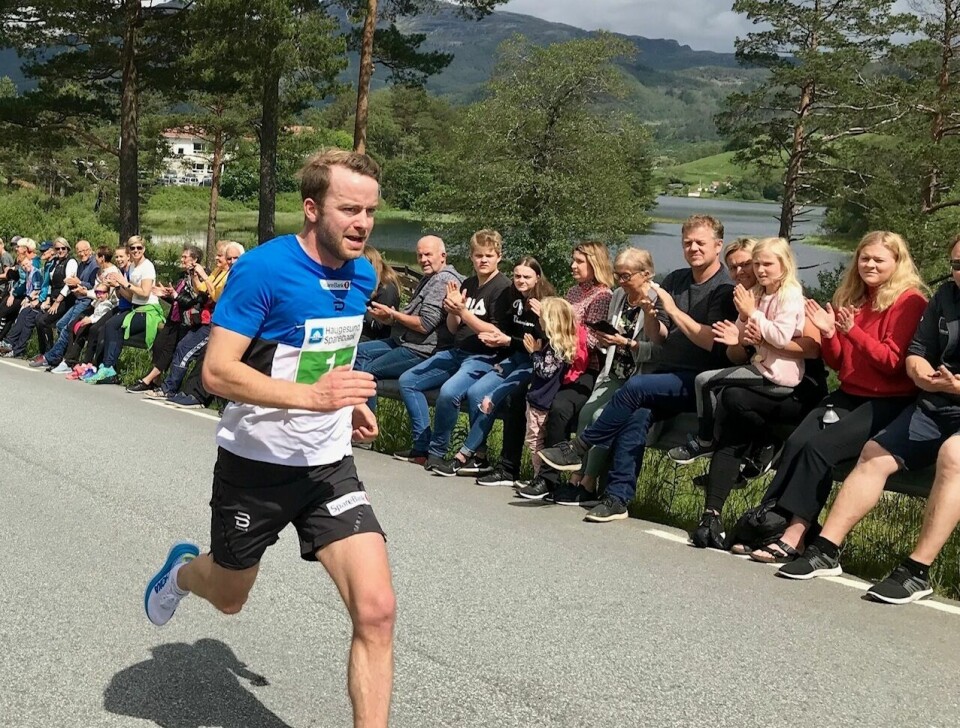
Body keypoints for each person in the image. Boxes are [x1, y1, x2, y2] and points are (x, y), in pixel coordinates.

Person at [144, 150, 395, 728]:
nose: (362, 223)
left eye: (371, 211)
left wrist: (349, 402)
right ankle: (183, 572)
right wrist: (316, 399)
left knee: (377, 612)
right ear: (311, 208)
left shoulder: (362, 272)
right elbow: (217, 372)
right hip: (255, 465)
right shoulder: (261, 269)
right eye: (349, 209)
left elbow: (325, 352)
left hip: (328, 466)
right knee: (230, 598)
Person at [777, 237, 960, 602]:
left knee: (953, 457)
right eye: (957, 263)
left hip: (924, 403)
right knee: (873, 453)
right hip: (934, 401)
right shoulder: (946, 296)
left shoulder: (910, 300)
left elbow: (889, 361)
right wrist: (922, 376)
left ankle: (917, 571)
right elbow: (917, 352)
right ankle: (825, 548)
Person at [735, 230, 927, 563]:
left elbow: (893, 365)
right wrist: (828, 334)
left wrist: (852, 332)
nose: (869, 264)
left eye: (878, 259)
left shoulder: (909, 301)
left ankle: (795, 535)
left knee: (820, 449)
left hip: (888, 400)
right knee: (795, 444)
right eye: (864, 258)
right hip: (849, 392)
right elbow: (839, 362)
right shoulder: (853, 296)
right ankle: (770, 522)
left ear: (897, 263)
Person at [536, 215, 737, 522]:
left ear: (718, 246)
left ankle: (580, 446)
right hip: (667, 375)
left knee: (635, 388)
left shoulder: (724, 289)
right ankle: (617, 497)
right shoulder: (676, 280)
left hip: (699, 381)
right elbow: (661, 336)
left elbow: (714, 344)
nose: (692, 248)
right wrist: (651, 313)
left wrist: (670, 309)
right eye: (687, 242)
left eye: (700, 243)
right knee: (636, 418)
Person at [668, 237, 805, 464]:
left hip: (779, 375)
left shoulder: (789, 296)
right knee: (716, 388)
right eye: (757, 265)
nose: (759, 270)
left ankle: (706, 441)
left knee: (706, 382)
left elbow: (781, 338)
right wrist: (741, 322)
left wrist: (752, 313)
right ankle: (743, 447)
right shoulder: (759, 295)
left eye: (764, 264)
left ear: (784, 264)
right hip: (762, 367)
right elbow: (742, 337)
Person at [394, 229, 512, 469]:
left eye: (489, 255)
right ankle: (421, 446)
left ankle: (438, 451)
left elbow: (493, 332)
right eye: (478, 256)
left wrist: (463, 312)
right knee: (408, 380)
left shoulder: (503, 289)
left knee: (449, 393)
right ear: (471, 257)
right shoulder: (468, 283)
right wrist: (451, 310)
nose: (483, 260)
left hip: (483, 357)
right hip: (456, 351)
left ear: (499, 256)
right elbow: (453, 326)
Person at [431, 256, 555, 476]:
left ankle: (463, 455)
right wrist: (499, 340)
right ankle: (480, 457)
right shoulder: (512, 296)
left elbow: (539, 345)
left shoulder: (545, 302)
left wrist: (536, 322)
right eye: (517, 276)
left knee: (490, 398)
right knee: (477, 392)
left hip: (532, 362)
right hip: (512, 356)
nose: (520, 281)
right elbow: (505, 331)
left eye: (527, 277)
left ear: (538, 278)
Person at [560, 247, 658, 501]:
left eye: (626, 276)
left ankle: (589, 482)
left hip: (639, 375)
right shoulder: (618, 296)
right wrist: (606, 340)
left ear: (646, 274)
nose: (621, 282)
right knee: (586, 412)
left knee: (602, 417)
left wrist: (626, 343)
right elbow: (611, 338)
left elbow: (661, 349)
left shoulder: (657, 300)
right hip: (614, 370)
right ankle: (575, 477)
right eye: (618, 276)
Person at [355, 236, 463, 409]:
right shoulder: (430, 277)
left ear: (443, 256)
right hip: (404, 340)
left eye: (428, 255)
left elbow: (424, 325)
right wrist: (389, 319)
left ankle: (366, 424)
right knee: (358, 352)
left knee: (366, 372)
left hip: (421, 349)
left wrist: (394, 315)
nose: (423, 260)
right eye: (419, 256)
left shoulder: (442, 280)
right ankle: (356, 415)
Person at [147, 241, 242, 407]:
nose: (220, 259)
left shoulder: (233, 275)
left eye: (224, 256)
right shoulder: (218, 271)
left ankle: (175, 389)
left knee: (186, 350)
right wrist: (195, 276)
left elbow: (216, 296)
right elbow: (202, 290)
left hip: (217, 323)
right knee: (181, 346)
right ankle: (172, 387)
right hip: (204, 320)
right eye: (224, 256)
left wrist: (201, 277)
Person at [125, 245, 207, 393]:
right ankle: (157, 380)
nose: (181, 259)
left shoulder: (199, 278)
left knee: (168, 350)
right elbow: (178, 300)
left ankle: (148, 380)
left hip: (185, 323)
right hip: (173, 318)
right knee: (158, 345)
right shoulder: (183, 276)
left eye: (185, 257)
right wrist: (166, 295)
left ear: (195, 259)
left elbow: (194, 302)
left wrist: (175, 295)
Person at [90, 236, 165, 384]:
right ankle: (108, 367)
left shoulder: (147, 266)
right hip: (136, 307)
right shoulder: (131, 267)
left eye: (139, 248)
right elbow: (131, 297)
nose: (136, 251)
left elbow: (144, 292)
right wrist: (117, 285)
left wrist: (125, 283)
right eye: (133, 248)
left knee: (115, 325)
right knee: (111, 325)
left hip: (148, 310)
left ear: (144, 249)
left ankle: (108, 367)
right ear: (129, 250)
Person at [522, 297, 581, 477]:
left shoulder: (555, 347)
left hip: (540, 400)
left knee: (534, 440)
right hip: (543, 399)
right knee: (539, 439)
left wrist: (534, 353)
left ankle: (539, 475)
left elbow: (545, 371)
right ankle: (539, 475)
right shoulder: (562, 343)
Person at [33, 239, 100, 370]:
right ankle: (57, 356)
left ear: (90, 250)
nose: (82, 253)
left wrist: (77, 283)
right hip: (77, 299)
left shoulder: (94, 266)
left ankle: (56, 358)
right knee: (60, 325)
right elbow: (49, 283)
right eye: (79, 251)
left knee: (67, 327)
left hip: (86, 301)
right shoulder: (80, 264)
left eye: (85, 250)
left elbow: (94, 287)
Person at [360, 245, 401, 342]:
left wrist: (358, 305)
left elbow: (378, 325)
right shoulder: (371, 283)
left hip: (378, 338)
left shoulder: (386, 289)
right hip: (366, 330)